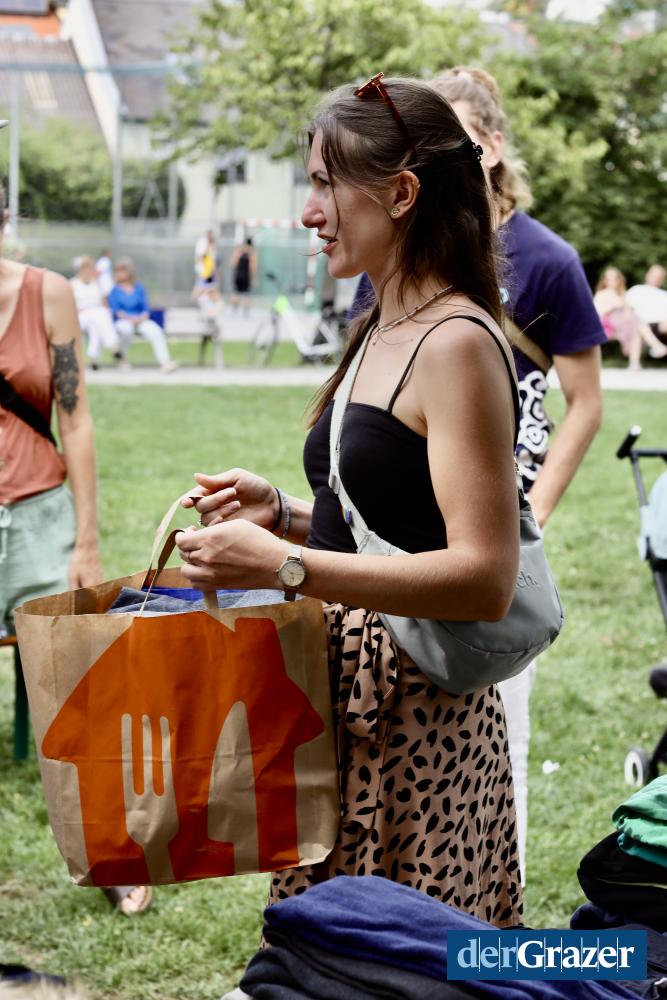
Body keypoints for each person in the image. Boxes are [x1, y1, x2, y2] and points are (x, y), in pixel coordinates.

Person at [176, 74, 523, 925]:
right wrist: (286, 514)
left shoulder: (455, 342)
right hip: (345, 706)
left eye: (325, 184)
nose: (307, 212)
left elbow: (485, 577)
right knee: (326, 954)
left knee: (413, 965)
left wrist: (287, 566)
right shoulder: (380, 322)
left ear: (401, 194)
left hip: (417, 732)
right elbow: (397, 523)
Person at [423, 66, 606, 883]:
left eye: (454, 140)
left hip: (503, 532)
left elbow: (584, 404)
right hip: (410, 529)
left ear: (492, 147)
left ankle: (498, 915)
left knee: (503, 734)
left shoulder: (548, 260)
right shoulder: (408, 251)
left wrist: (534, 505)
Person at [0, 185, 151, 917]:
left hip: (40, 515)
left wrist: (86, 538)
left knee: (75, 686)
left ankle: (114, 849)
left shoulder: (47, 295)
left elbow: (76, 418)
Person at [107, 258, 178, 373]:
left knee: (155, 331)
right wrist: (130, 319)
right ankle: (122, 360)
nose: (119, 273)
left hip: (140, 319)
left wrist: (141, 318)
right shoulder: (114, 291)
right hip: (123, 320)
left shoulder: (139, 288)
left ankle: (165, 362)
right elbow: (116, 311)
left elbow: (146, 308)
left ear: (129, 272)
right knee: (126, 329)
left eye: (122, 271)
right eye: (117, 271)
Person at [594, 266, 667, 369]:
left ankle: (635, 364)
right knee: (638, 324)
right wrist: (613, 306)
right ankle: (656, 346)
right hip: (609, 324)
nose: (613, 281)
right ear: (604, 280)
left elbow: (628, 310)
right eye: (609, 279)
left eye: (615, 278)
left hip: (626, 323)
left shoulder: (621, 294)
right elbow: (597, 314)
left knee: (637, 327)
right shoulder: (602, 294)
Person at [69, 256, 124, 371]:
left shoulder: (97, 284)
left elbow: (103, 302)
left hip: (97, 315)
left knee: (96, 325)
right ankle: (114, 348)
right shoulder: (72, 284)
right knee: (100, 316)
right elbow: (69, 304)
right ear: (82, 269)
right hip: (80, 316)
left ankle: (94, 360)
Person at [626, 264, 667, 341]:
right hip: (644, 324)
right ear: (647, 275)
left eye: (659, 277)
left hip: (663, 325)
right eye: (654, 276)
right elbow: (627, 309)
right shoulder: (636, 290)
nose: (656, 278)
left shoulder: (664, 294)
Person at [229, 238, 257, 313]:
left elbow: (233, 264)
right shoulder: (251, 253)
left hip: (238, 276)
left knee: (236, 293)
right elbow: (253, 268)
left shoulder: (239, 251)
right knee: (246, 295)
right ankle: (245, 312)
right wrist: (254, 278)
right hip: (245, 277)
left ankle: (234, 310)